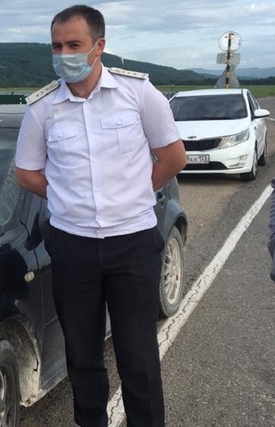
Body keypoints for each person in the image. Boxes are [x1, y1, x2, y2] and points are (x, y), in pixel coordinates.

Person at [15, 5, 186, 427]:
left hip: (133, 243)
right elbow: (26, 173)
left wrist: (134, 193)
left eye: (73, 44)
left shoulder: (138, 93)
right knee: (82, 354)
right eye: (57, 46)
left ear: (99, 46)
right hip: (73, 246)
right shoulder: (42, 108)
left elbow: (173, 156)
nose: (64, 54)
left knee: (138, 354)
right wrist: (68, 196)